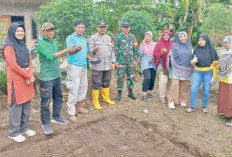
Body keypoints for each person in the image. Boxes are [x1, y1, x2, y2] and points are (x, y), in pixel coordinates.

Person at [37, 23, 78, 134]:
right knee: (46, 101)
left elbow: (57, 55)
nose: (51, 32)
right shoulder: (41, 44)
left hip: (56, 74)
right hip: (46, 77)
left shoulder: (54, 41)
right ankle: (45, 122)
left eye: (52, 30)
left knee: (58, 97)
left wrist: (75, 50)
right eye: (48, 30)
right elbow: (51, 57)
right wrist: (66, 50)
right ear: (43, 32)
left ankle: (56, 116)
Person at [3, 23, 36, 142]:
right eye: (18, 31)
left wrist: (30, 75)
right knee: (17, 106)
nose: (21, 33)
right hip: (16, 80)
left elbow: (29, 61)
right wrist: (28, 75)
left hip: (26, 79)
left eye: (22, 31)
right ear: (12, 32)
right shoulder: (8, 47)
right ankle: (13, 132)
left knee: (26, 103)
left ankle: (24, 128)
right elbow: (13, 66)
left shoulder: (22, 45)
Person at [186, 34, 218, 113]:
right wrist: (192, 62)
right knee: (193, 89)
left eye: (203, 40)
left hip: (208, 71)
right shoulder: (196, 49)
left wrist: (215, 75)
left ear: (206, 40)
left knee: (206, 90)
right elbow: (192, 60)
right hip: (197, 71)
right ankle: (193, 106)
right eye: (199, 40)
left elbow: (215, 62)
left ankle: (204, 107)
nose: (201, 42)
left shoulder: (211, 49)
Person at [66, 20, 90, 122]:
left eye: (83, 27)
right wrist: (77, 50)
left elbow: (86, 53)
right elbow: (70, 52)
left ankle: (79, 107)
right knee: (73, 89)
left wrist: (91, 58)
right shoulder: (70, 38)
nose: (81, 29)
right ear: (75, 27)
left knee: (82, 87)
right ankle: (71, 112)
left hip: (84, 66)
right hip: (74, 67)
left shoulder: (84, 39)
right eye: (79, 27)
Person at [88, 21, 115, 110]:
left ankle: (106, 98)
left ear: (105, 28)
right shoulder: (93, 38)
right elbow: (89, 51)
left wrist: (113, 62)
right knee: (96, 83)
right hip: (97, 64)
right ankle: (96, 101)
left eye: (103, 27)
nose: (102, 29)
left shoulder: (108, 38)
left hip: (107, 64)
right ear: (97, 28)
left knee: (106, 81)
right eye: (100, 27)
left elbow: (112, 51)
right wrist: (94, 51)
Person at [113, 21, 139, 101]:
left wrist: (135, 60)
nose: (126, 28)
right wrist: (115, 61)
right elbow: (115, 49)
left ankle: (130, 92)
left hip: (130, 60)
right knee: (120, 77)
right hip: (121, 60)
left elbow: (135, 48)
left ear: (129, 28)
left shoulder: (132, 37)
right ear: (122, 28)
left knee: (130, 77)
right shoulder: (118, 37)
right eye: (124, 27)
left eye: (127, 27)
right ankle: (119, 93)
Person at [167, 31, 193, 109]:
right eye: (181, 37)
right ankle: (172, 101)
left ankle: (183, 100)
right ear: (179, 38)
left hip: (186, 68)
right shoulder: (175, 46)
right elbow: (170, 56)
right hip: (176, 67)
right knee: (175, 84)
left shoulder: (189, 46)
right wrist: (169, 55)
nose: (183, 38)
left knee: (185, 84)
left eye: (184, 36)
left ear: (187, 37)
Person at [154, 30, 174, 104]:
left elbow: (176, 54)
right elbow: (155, 54)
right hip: (162, 65)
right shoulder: (159, 44)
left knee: (170, 81)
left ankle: (168, 95)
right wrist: (161, 53)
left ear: (169, 36)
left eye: (167, 35)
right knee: (163, 81)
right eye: (164, 35)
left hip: (171, 66)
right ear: (162, 36)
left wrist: (171, 54)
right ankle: (162, 96)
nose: (166, 36)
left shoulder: (172, 44)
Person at [217, 36, 232, 126]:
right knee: (225, 96)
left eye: (226, 42)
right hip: (224, 78)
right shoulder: (225, 53)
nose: (224, 44)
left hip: (231, 79)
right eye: (224, 42)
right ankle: (227, 113)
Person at [139, 31, 157, 101]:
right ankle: (144, 92)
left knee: (152, 78)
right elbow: (140, 54)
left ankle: (149, 91)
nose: (148, 38)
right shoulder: (143, 44)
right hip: (145, 63)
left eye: (149, 36)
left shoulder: (155, 44)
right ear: (145, 37)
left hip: (153, 64)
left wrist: (155, 58)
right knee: (147, 77)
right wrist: (141, 47)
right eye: (146, 36)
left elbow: (157, 53)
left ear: (151, 37)